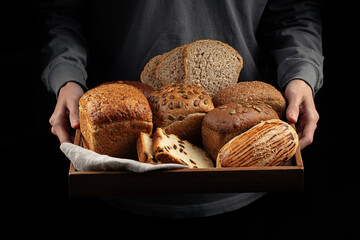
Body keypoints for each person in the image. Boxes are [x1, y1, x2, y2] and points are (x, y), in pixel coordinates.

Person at [41, 0, 323, 218]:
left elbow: (293, 12)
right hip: (115, 182)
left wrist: (301, 76)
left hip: (247, 182)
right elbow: (66, 13)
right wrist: (67, 77)